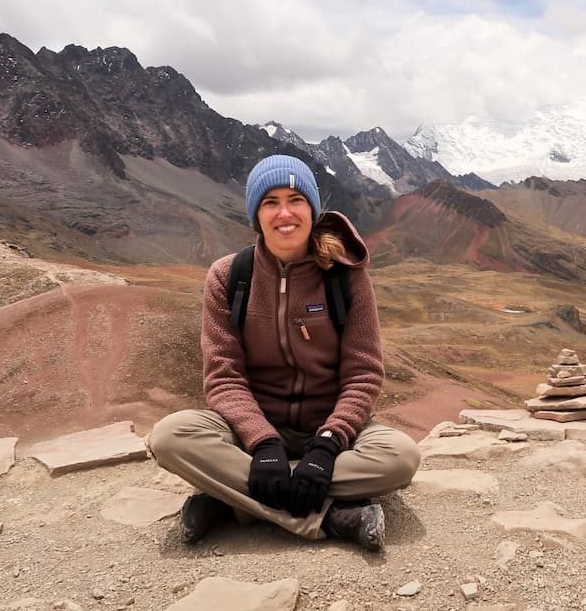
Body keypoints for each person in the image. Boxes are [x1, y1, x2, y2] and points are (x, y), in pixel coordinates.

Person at [149, 154, 420, 550]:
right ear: (256, 215)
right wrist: (262, 442)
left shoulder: (345, 275)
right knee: (170, 437)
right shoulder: (229, 277)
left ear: (312, 209)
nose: (284, 213)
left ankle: (233, 500)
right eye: (270, 202)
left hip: (329, 431)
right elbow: (224, 377)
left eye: (295, 199)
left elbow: (363, 374)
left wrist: (329, 443)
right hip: (251, 432)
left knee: (401, 458)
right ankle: (331, 518)